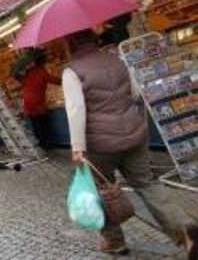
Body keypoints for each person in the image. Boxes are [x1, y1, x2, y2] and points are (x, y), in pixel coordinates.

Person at [64, 30, 197, 257]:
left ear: (69, 42)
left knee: (101, 189)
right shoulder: (117, 60)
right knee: (147, 184)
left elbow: (77, 111)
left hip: (101, 145)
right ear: (94, 39)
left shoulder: (72, 71)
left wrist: (77, 148)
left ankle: (115, 242)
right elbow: (136, 94)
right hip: (135, 136)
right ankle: (185, 228)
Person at [21, 51, 61, 150]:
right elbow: (56, 81)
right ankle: (46, 145)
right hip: (37, 102)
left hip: (27, 101)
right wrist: (66, 78)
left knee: (35, 124)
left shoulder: (29, 72)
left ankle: (41, 145)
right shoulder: (41, 72)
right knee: (43, 123)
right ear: (42, 62)